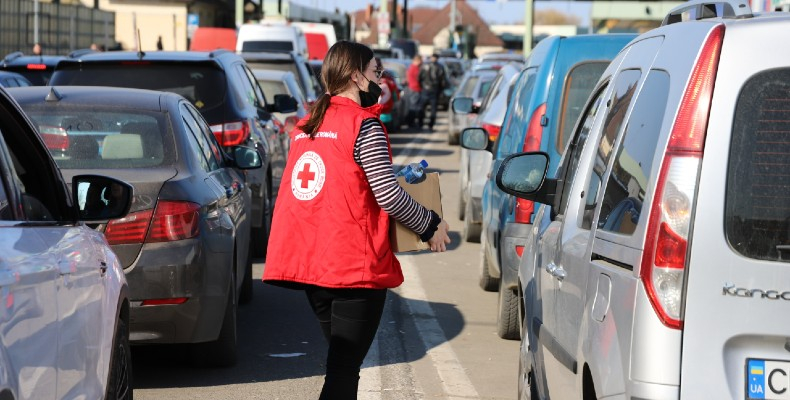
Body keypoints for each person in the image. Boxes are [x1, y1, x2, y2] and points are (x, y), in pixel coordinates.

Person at [263, 40, 451, 400]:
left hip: (312, 268)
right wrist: (431, 224)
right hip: (352, 267)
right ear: (356, 76)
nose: (381, 78)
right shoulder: (364, 126)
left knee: (341, 364)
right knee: (343, 370)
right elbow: (388, 195)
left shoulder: (307, 126)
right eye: (376, 71)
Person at [418, 53, 446, 131]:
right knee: (432, 109)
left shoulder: (425, 66)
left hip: (426, 89)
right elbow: (443, 81)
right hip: (434, 90)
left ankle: (421, 123)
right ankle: (430, 124)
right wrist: (440, 90)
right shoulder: (440, 67)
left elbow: (419, 78)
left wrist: (422, 86)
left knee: (422, 107)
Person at [405, 54, 423, 128]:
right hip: (415, 88)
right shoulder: (415, 68)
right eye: (421, 61)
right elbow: (419, 78)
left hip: (413, 87)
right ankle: (411, 122)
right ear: (417, 60)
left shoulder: (411, 67)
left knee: (413, 106)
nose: (422, 62)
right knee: (414, 107)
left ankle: (411, 122)